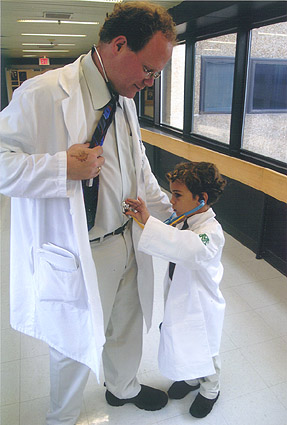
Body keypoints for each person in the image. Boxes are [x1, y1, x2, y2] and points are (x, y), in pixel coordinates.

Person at [0, 2, 176, 424]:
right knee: (73, 343)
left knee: (128, 324)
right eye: (149, 71)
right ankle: (61, 417)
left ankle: (122, 387)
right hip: (81, 249)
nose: (149, 83)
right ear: (119, 45)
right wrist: (61, 166)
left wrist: (173, 218)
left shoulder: (126, 98)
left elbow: (139, 168)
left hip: (128, 237)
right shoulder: (41, 93)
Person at [125, 161, 227, 418]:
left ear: (201, 199)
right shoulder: (185, 218)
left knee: (205, 348)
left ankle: (210, 389)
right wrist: (145, 218)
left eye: (178, 195)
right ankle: (191, 378)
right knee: (182, 341)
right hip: (181, 299)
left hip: (202, 307)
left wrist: (149, 223)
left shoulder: (210, 231)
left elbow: (187, 246)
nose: (172, 200)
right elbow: (168, 232)